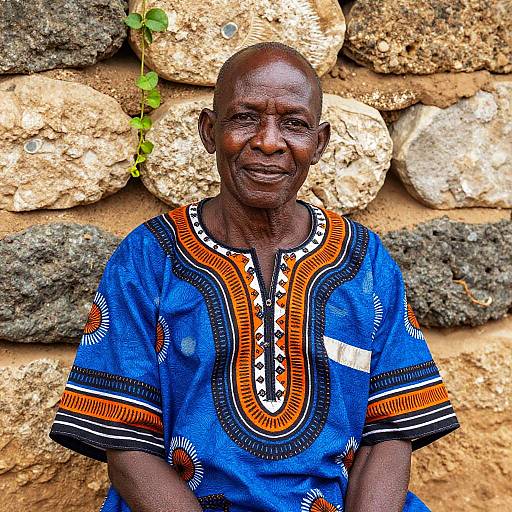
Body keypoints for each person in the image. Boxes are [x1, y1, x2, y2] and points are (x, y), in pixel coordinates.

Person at [49, 42, 459, 512]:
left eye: (293, 124)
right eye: (245, 118)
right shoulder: (148, 258)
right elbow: (125, 445)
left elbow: (390, 433)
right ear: (209, 131)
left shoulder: (363, 261)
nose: (268, 141)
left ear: (319, 143)